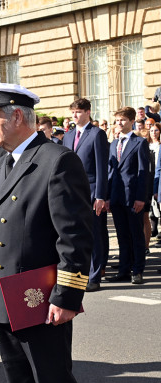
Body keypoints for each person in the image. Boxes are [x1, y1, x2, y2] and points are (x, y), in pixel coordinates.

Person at [0, 83, 93, 383]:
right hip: (4, 298)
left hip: (39, 299)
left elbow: (73, 237)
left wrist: (67, 296)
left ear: (16, 116)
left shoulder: (57, 161)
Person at [63, 98, 109, 292]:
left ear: (88, 112)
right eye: (73, 112)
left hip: (91, 193)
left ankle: (95, 275)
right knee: (75, 236)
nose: (75, 115)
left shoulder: (97, 134)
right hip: (71, 193)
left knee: (95, 235)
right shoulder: (68, 135)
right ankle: (78, 274)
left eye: (79, 112)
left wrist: (100, 196)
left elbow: (101, 167)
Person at [107, 107, 150, 285]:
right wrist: (107, 196)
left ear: (132, 121)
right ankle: (124, 269)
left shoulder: (139, 143)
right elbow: (110, 172)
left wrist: (141, 198)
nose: (119, 123)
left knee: (136, 235)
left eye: (123, 120)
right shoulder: (113, 144)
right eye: (117, 120)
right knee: (122, 235)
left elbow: (143, 172)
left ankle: (137, 270)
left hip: (133, 197)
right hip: (116, 197)